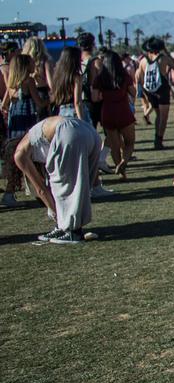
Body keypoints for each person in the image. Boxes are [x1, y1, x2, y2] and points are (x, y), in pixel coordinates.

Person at [13, 114, 101, 244]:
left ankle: (72, 232)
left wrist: (54, 212)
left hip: (68, 131)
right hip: (89, 131)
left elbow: (41, 189)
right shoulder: (32, 140)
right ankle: (65, 227)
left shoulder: (19, 155)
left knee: (65, 184)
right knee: (80, 184)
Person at [3, 53, 49, 207]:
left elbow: (4, 105)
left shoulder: (11, 84)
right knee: (34, 156)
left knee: (15, 158)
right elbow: (39, 103)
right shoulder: (28, 82)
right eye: (30, 63)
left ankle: (10, 192)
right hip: (28, 123)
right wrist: (52, 99)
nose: (34, 65)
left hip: (15, 126)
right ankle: (42, 190)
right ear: (25, 66)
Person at [90, 50, 137, 179]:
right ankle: (124, 162)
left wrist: (105, 95)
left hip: (108, 113)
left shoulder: (99, 79)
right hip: (124, 112)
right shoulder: (124, 76)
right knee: (129, 142)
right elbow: (134, 92)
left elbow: (94, 98)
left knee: (115, 146)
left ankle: (122, 173)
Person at [136, 38, 174, 149]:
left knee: (158, 115)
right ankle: (159, 139)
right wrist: (166, 54)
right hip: (162, 89)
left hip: (150, 91)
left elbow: (140, 77)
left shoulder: (143, 61)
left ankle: (157, 137)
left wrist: (144, 92)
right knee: (164, 117)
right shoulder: (163, 59)